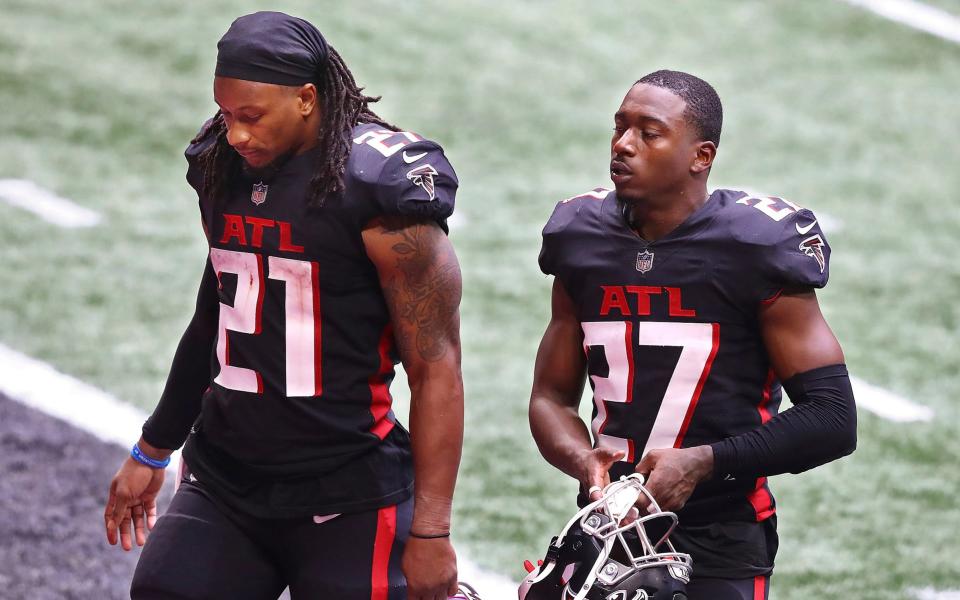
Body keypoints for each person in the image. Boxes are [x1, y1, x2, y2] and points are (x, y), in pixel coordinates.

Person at [103, 12, 464, 600]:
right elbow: (217, 312)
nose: (236, 133)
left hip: (349, 491)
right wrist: (155, 445)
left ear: (305, 98)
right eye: (226, 114)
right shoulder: (222, 163)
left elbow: (436, 367)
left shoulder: (380, 191)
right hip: (226, 479)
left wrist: (431, 531)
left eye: (251, 116)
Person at [528, 70, 857, 600]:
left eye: (649, 132)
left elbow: (833, 417)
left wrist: (705, 463)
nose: (623, 145)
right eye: (620, 128)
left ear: (700, 156)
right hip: (606, 533)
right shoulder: (579, 235)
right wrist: (583, 460)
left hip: (721, 534)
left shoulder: (754, 247)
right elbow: (550, 396)